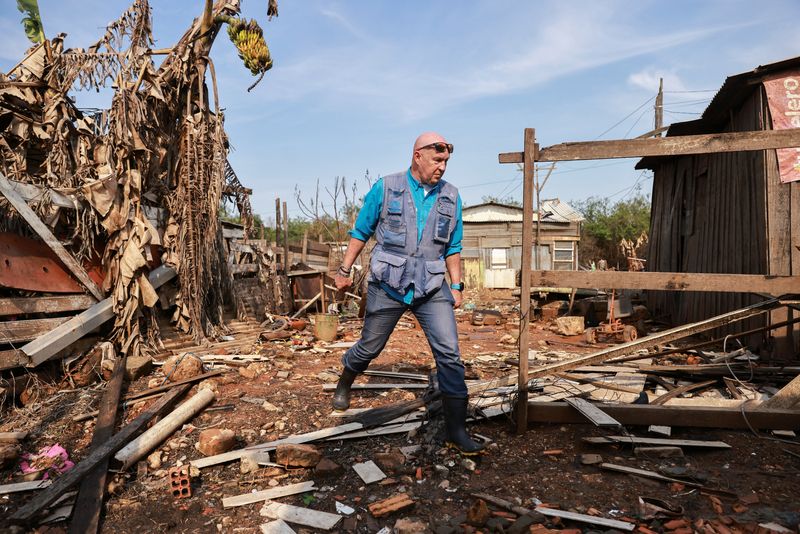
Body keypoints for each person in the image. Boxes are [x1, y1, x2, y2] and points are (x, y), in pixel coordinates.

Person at [332, 132, 485, 455]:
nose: (442, 167)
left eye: (446, 161)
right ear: (418, 156)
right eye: (437, 160)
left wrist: (456, 286)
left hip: (431, 286)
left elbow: (453, 247)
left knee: (450, 355)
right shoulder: (386, 188)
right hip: (388, 284)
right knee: (370, 346)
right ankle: (346, 379)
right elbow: (361, 231)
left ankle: (457, 430)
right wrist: (344, 270)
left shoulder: (451, 197)